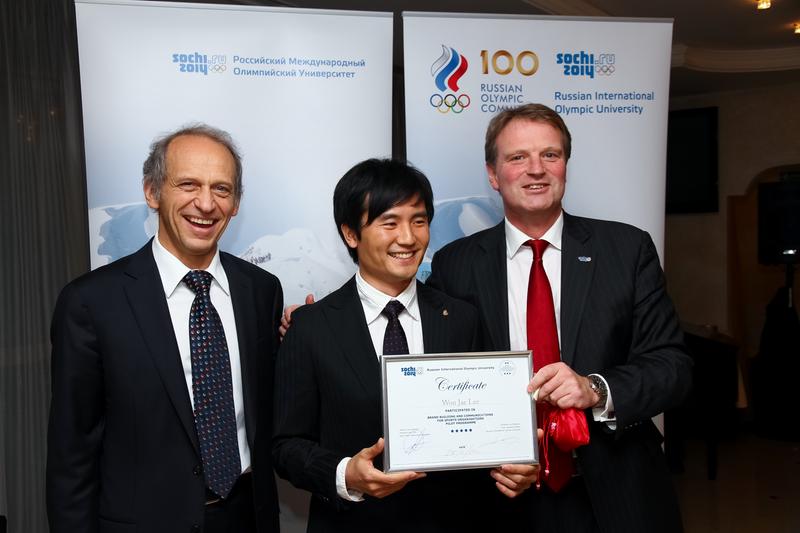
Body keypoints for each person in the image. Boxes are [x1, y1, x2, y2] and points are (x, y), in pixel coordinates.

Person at [427, 103, 692, 533]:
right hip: (502, 495)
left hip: (615, 489)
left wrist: (594, 389)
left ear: (566, 165)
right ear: (493, 175)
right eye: (518, 157)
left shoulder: (627, 250)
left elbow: (672, 367)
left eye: (550, 154)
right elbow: (439, 376)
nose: (536, 169)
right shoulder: (455, 265)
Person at [272, 158, 538, 533]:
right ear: (351, 233)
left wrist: (514, 460)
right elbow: (286, 445)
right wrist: (345, 474)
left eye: (419, 221)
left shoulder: (461, 319)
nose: (408, 238)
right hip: (353, 525)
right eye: (390, 222)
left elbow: (483, 426)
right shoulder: (311, 327)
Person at [47, 124, 283, 533]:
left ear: (236, 203)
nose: (205, 203)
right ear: (152, 192)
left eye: (222, 189)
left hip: (247, 517)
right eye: (188, 184)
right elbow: (72, 456)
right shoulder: (91, 303)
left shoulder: (261, 291)